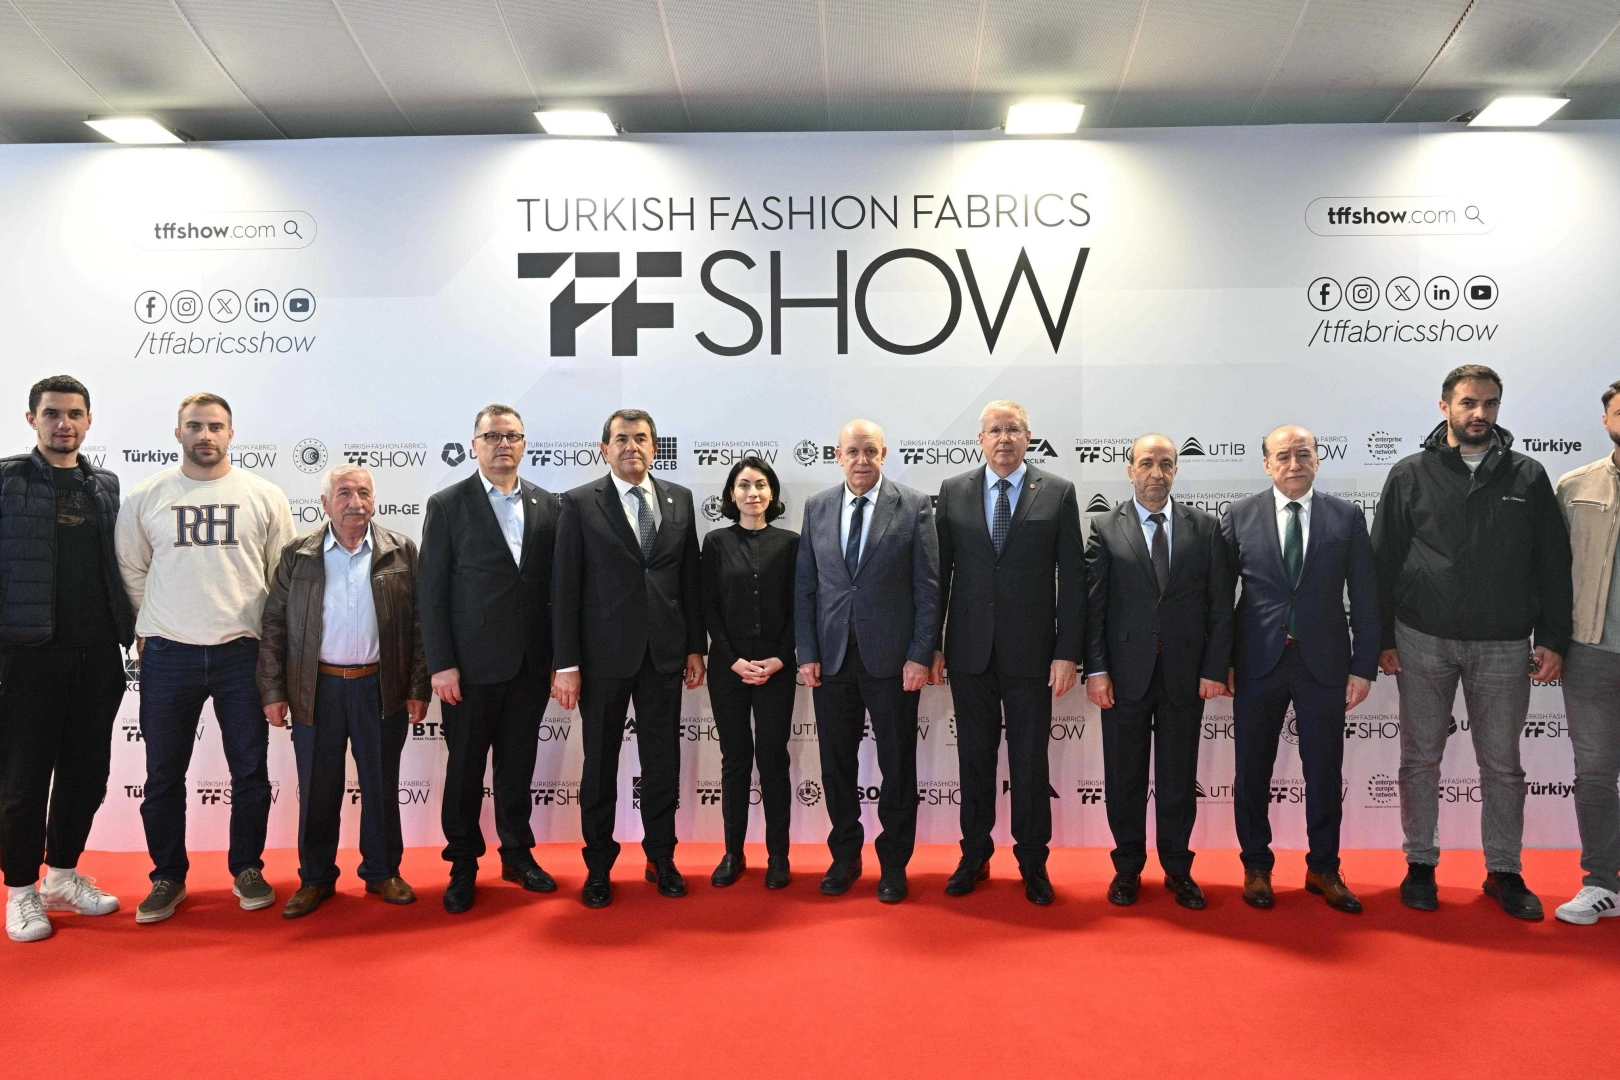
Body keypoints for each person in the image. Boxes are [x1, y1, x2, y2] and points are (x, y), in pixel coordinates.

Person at [1372, 364, 1572, 920]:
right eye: (1468, 403)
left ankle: (1504, 870)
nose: (1479, 413)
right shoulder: (1410, 474)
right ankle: (1420, 863)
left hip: (1504, 643)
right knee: (1419, 759)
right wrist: (1381, 638)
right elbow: (1381, 562)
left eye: (1489, 403)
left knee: (1503, 765)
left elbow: (1553, 564)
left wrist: (1553, 637)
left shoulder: (1528, 476)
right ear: (1445, 408)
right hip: (1421, 638)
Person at [115, 392, 295, 924]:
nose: (205, 435)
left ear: (231, 434)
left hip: (244, 653)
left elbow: (281, 577)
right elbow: (131, 569)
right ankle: (167, 877)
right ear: (178, 434)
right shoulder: (147, 496)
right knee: (163, 774)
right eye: (194, 426)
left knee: (250, 771)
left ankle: (248, 868)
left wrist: (273, 648)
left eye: (215, 426)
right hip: (168, 653)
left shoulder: (264, 496)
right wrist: (151, 624)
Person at [257, 465, 430, 917]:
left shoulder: (401, 551)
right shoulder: (298, 555)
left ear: (374, 499)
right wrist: (273, 690)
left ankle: (383, 872)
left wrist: (418, 685)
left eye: (364, 493)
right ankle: (315, 879)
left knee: (381, 785)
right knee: (318, 790)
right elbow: (274, 625)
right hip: (317, 690)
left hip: (381, 687)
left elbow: (419, 625)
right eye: (344, 493)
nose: (355, 502)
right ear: (324, 503)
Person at [932, 401, 1084, 905]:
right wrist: (933, 644)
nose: (1004, 438)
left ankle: (1033, 862)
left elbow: (1073, 579)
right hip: (969, 652)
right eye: (994, 430)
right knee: (974, 760)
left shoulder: (1058, 491)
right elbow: (938, 576)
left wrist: (1067, 651)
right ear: (980, 439)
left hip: (1033, 654)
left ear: (1028, 437)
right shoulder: (953, 490)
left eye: (1013, 429)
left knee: (1030, 763)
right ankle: (974, 855)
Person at [552, 409, 705, 909]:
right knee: (599, 766)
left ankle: (661, 857)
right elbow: (565, 587)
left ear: (654, 447)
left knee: (662, 763)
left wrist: (694, 646)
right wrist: (566, 663)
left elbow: (688, 579)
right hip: (602, 659)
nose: (631, 446)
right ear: (604, 449)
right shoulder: (579, 503)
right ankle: (598, 866)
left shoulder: (679, 499)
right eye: (621, 439)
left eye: (641, 438)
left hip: (664, 655)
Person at [1223, 426, 1379, 913]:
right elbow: (1219, 598)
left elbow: (1367, 596)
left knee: (1325, 771)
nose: (1294, 464)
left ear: (1317, 459)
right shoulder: (1239, 515)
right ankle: (1256, 866)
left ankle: (1324, 868)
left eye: (1303, 454)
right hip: (1257, 662)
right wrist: (1222, 661)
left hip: (1324, 664)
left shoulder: (1346, 516)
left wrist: (1364, 666)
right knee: (1252, 770)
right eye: (1284, 456)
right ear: (1267, 464)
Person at [0, 376, 133, 943]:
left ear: (88, 420)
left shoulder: (105, 486)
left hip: (98, 654)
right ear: (32, 418)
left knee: (86, 775)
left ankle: (61, 877)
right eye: (52, 413)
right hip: (26, 656)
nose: (64, 424)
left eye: (75, 414)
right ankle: (21, 892)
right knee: (23, 781)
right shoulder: (7, 480)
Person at [419, 404, 558, 914]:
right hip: (469, 667)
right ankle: (462, 864)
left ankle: (517, 855)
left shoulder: (548, 504)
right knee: (464, 771)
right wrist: (441, 663)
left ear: (524, 444)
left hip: (530, 664)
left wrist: (559, 658)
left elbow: (555, 589)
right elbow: (431, 591)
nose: (503, 444)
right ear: (474, 444)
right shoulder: (447, 504)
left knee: (518, 766)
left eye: (512, 436)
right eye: (493, 436)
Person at [1084, 434, 1232, 910]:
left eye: (1166, 464)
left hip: (1185, 675)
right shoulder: (1105, 527)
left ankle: (1178, 869)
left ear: (1175, 471)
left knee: (1177, 778)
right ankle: (1127, 869)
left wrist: (1214, 668)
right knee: (1124, 778)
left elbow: (1220, 606)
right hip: (1123, 676)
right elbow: (1094, 607)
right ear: (1130, 471)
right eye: (1146, 463)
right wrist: (1096, 669)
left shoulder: (1204, 528)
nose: (1156, 473)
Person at [796, 419, 940, 904]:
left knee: (897, 765)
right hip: (832, 660)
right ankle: (845, 856)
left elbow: (928, 588)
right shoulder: (817, 507)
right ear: (838, 455)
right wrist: (807, 653)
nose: (861, 460)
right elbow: (806, 586)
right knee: (836, 765)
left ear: (884, 454)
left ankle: (894, 863)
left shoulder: (913, 505)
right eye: (853, 451)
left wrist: (920, 654)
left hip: (894, 662)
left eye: (870, 451)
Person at [700, 455, 799, 889]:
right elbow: (708, 607)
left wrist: (781, 656)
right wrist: (730, 658)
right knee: (735, 759)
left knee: (773, 759)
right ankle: (733, 853)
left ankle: (779, 856)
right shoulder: (716, 542)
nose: (752, 492)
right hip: (730, 668)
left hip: (777, 667)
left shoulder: (792, 543)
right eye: (743, 485)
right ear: (731, 494)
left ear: (772, 493)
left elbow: (801, 606)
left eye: (760, 484)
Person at [1551, 380, 1620, 925]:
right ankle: (1601, 882)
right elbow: (1551, 574)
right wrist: (1551, 640)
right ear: (1605, 420)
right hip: (1593, 652)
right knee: (1594, 773)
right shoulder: (1575, 487)